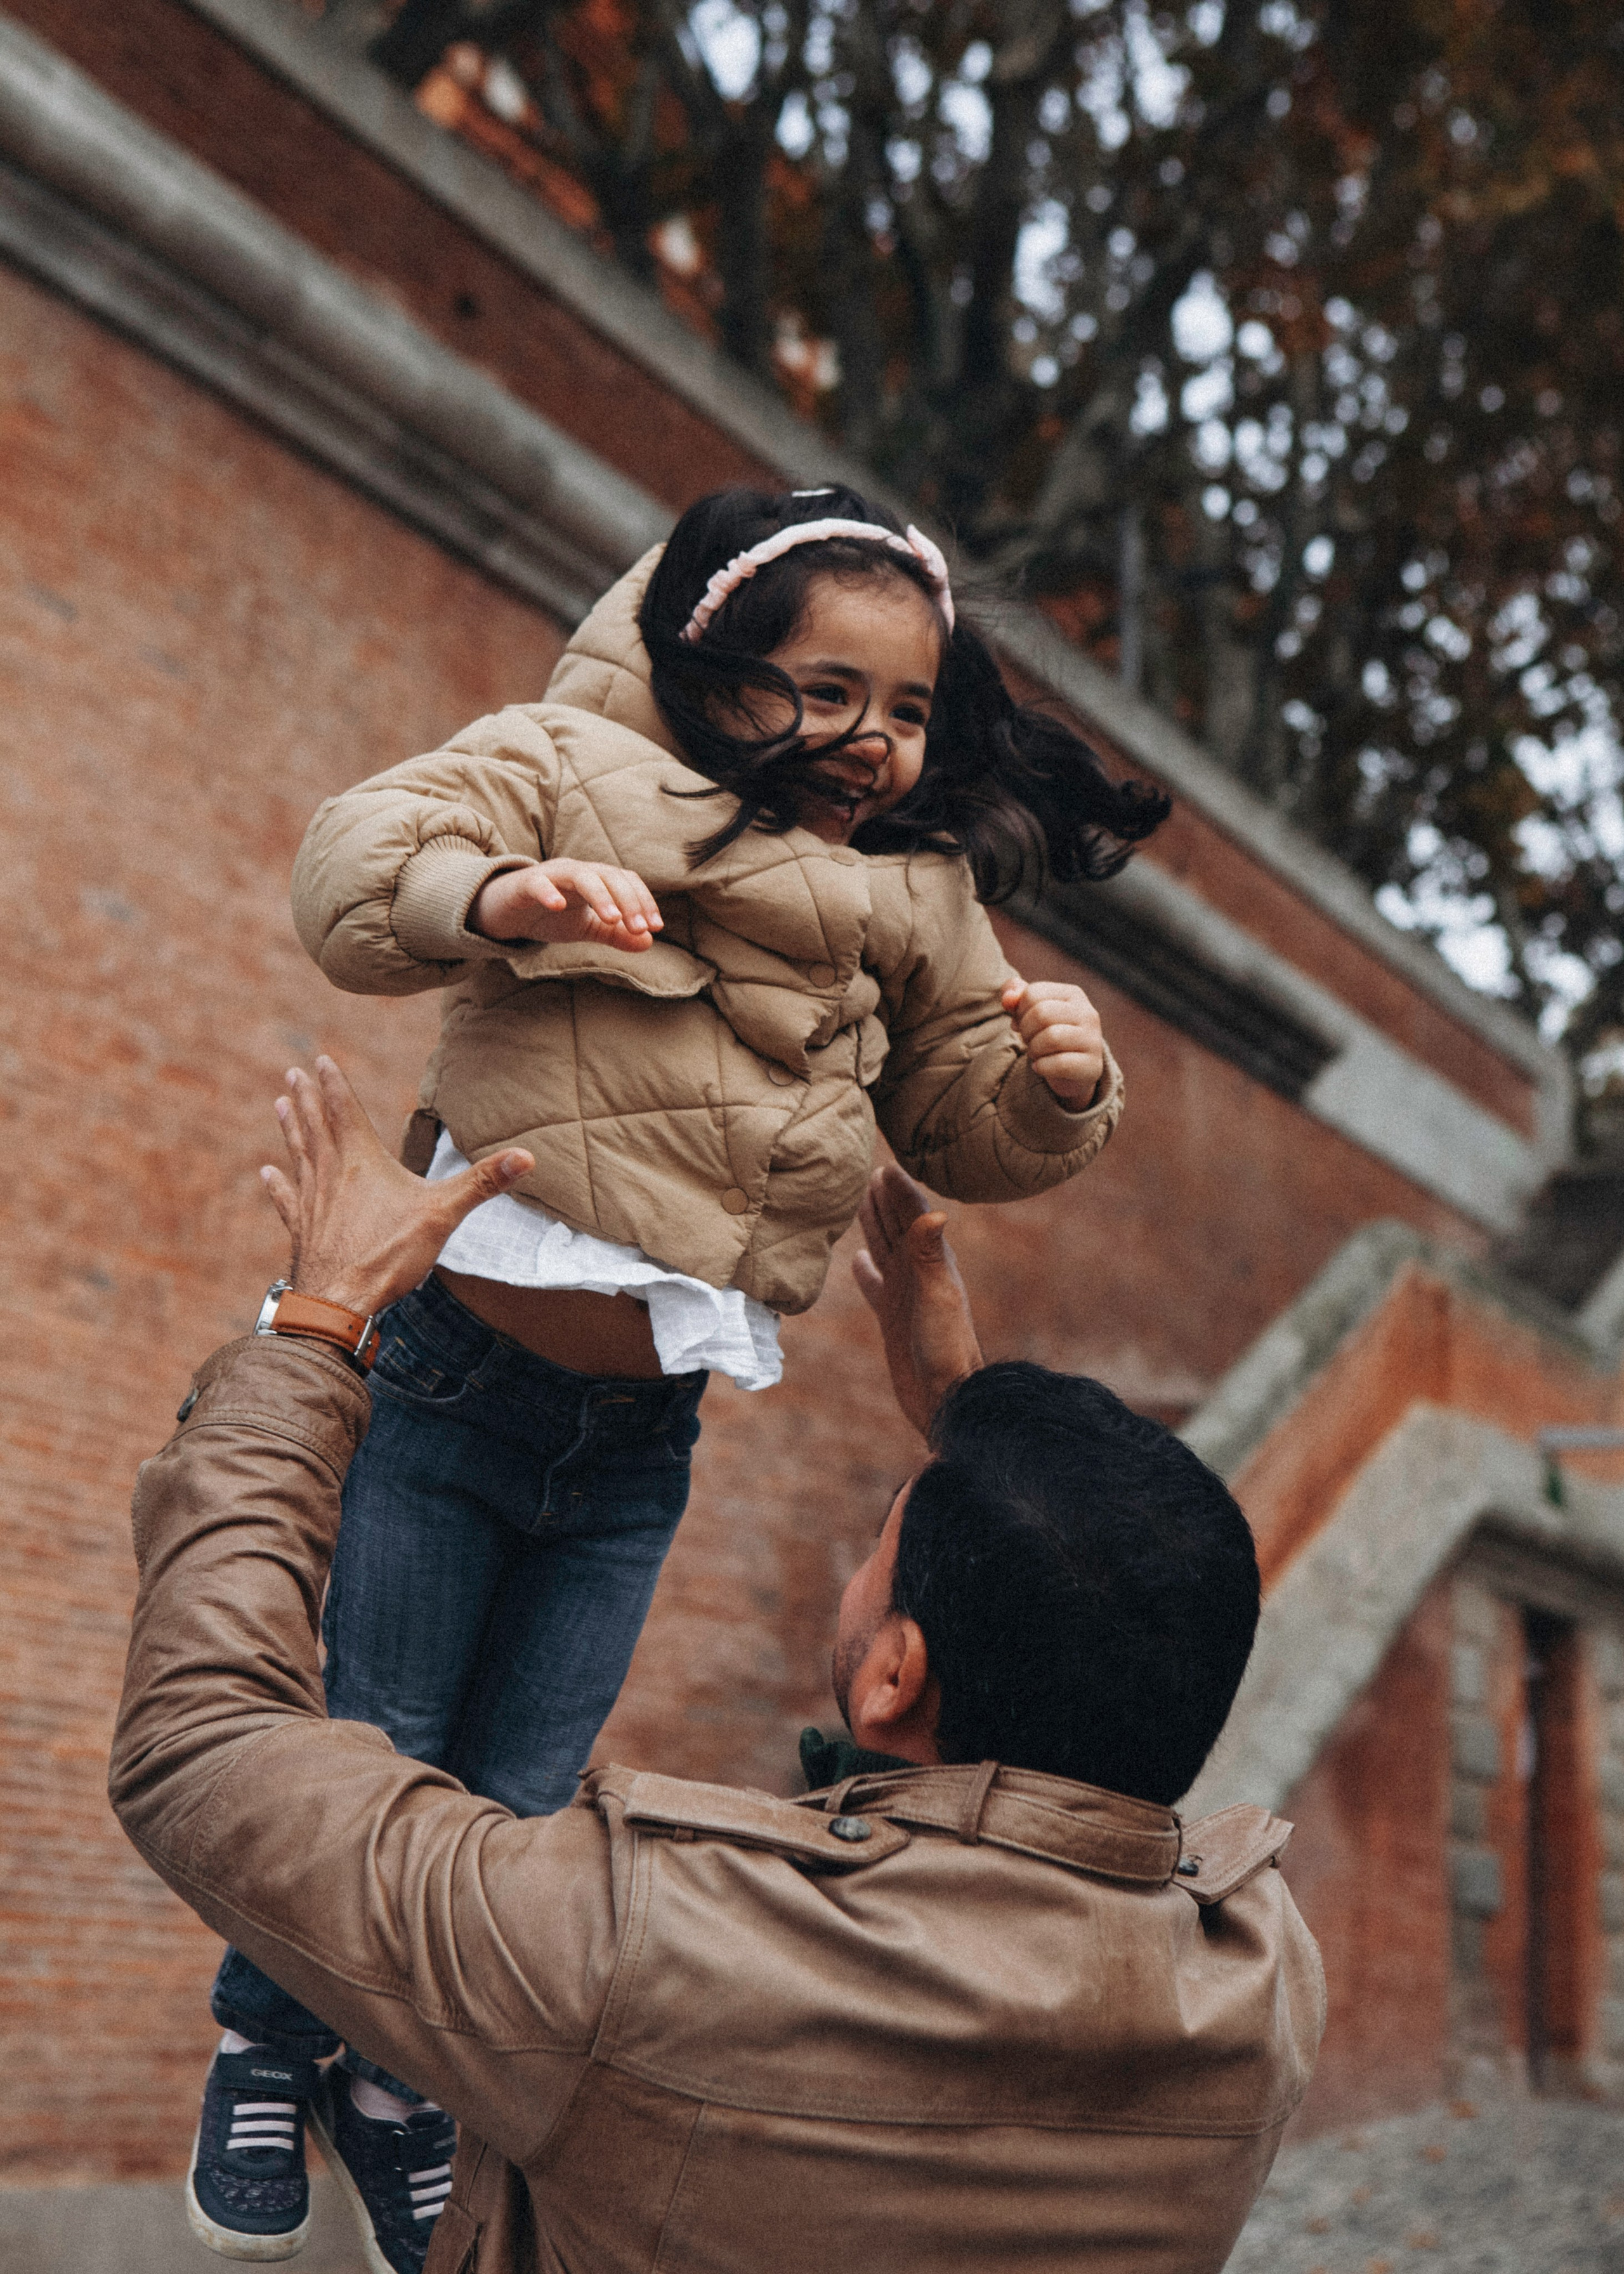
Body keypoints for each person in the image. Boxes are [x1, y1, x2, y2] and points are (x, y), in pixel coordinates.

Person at [189, 478, 1174, 2247]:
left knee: (504, 1807)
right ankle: (266, 2047)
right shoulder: (564, 763)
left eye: (906, 708)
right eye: (824, 689)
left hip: (639, 1439)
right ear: (711, 659)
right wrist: (494, 895)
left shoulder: (919, 895)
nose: (869, 740)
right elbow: (348, 867)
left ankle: (403, 2081)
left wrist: (1062, 1085)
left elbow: (958, 1123)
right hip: (443, 1380)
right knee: (367, 1747)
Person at [113, 1058, 1323, 2274]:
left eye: (878, 1542)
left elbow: (207, 1749)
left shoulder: (645, 1956)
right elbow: (1126, 1624)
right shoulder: (1259, 1989)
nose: (861, 1561)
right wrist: (973, 1434)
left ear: (894, 1676)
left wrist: (317, 1321)